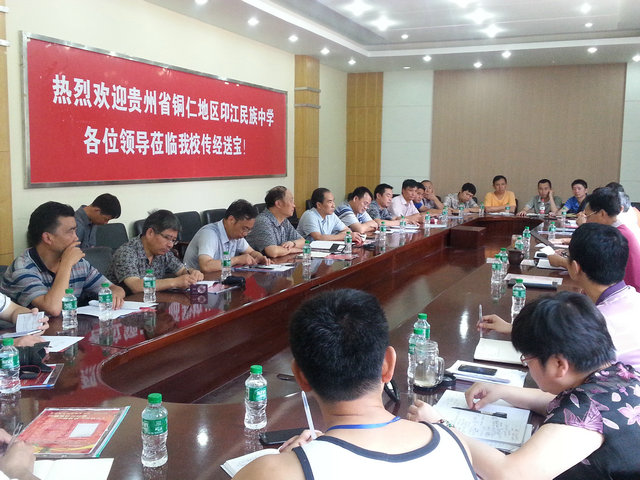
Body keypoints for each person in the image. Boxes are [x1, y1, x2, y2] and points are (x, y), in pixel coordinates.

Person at [235, 289, 476, 480]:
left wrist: (289, 463)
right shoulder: (455, 444)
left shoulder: (271, 473)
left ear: (300, 376)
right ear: (388, 365)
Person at [410, 291, 640, 480]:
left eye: (527, 360)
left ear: (559, 364)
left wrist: (441, 425)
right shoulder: (620, 376)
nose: (527, 366)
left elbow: (509, 474)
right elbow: (560, 405)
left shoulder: (587, 412)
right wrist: (504, 392)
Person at [480, 223, 640, 369]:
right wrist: (513, 329)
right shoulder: (632, 297)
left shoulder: (601, 325)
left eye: (567, 256)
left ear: (575, 268)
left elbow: (571, 378)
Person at [0, 202, 124, 316]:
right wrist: (66, 265)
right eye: (70, 232)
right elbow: (53, 309)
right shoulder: (23, 268)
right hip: (27, 332)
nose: (76, 238)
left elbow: (114, 288)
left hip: (67, 328)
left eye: (75, 230)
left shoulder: (78, 263)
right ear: (48, 238)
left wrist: (115, 295)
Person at [107, 210, 203, 295]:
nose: (170, 245)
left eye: (173, 240)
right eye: (167, 238)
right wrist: (174, 282)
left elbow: (181, 271)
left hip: (153, 302)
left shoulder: (163, 252)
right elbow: (135, 285)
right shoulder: (126, 253)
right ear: (150, 233)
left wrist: (192, 272)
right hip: (124, 305)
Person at [564, 188, 640, 290]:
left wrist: (562, 262)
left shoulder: (616, 236)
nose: (586, 219)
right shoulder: (616, 230)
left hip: (625, 291)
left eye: (587, 216)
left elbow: (588, 269)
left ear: (602, 214)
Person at [183, 200, 270, 272]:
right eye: (244, 228)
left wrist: (259, 257)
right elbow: (206, 266)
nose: (245, 234)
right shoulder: (209, 234)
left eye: (249, 230)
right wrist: (237, 260)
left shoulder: (236, 234)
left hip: (220, 278)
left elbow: (251, 252)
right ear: (231, 220)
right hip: (197, 282)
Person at [246, 186, 305, 258]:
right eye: (291, 201)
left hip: (279, 262)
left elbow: (303, 241)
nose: (294, 205)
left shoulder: (284, 221)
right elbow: (272, 252)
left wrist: (293, 243)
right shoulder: (263, 221)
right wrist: (292, 250)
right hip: (259, 263)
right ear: (278, 204)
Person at [297, 188, 361, 243]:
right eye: (330, 202)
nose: (333, 205)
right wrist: (342, 236)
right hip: (305, 251)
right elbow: (318, 238)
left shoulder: (331, 215)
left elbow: (347, 230)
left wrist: (339, 236)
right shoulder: (309, 215)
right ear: (319, 205)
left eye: (333, 201)